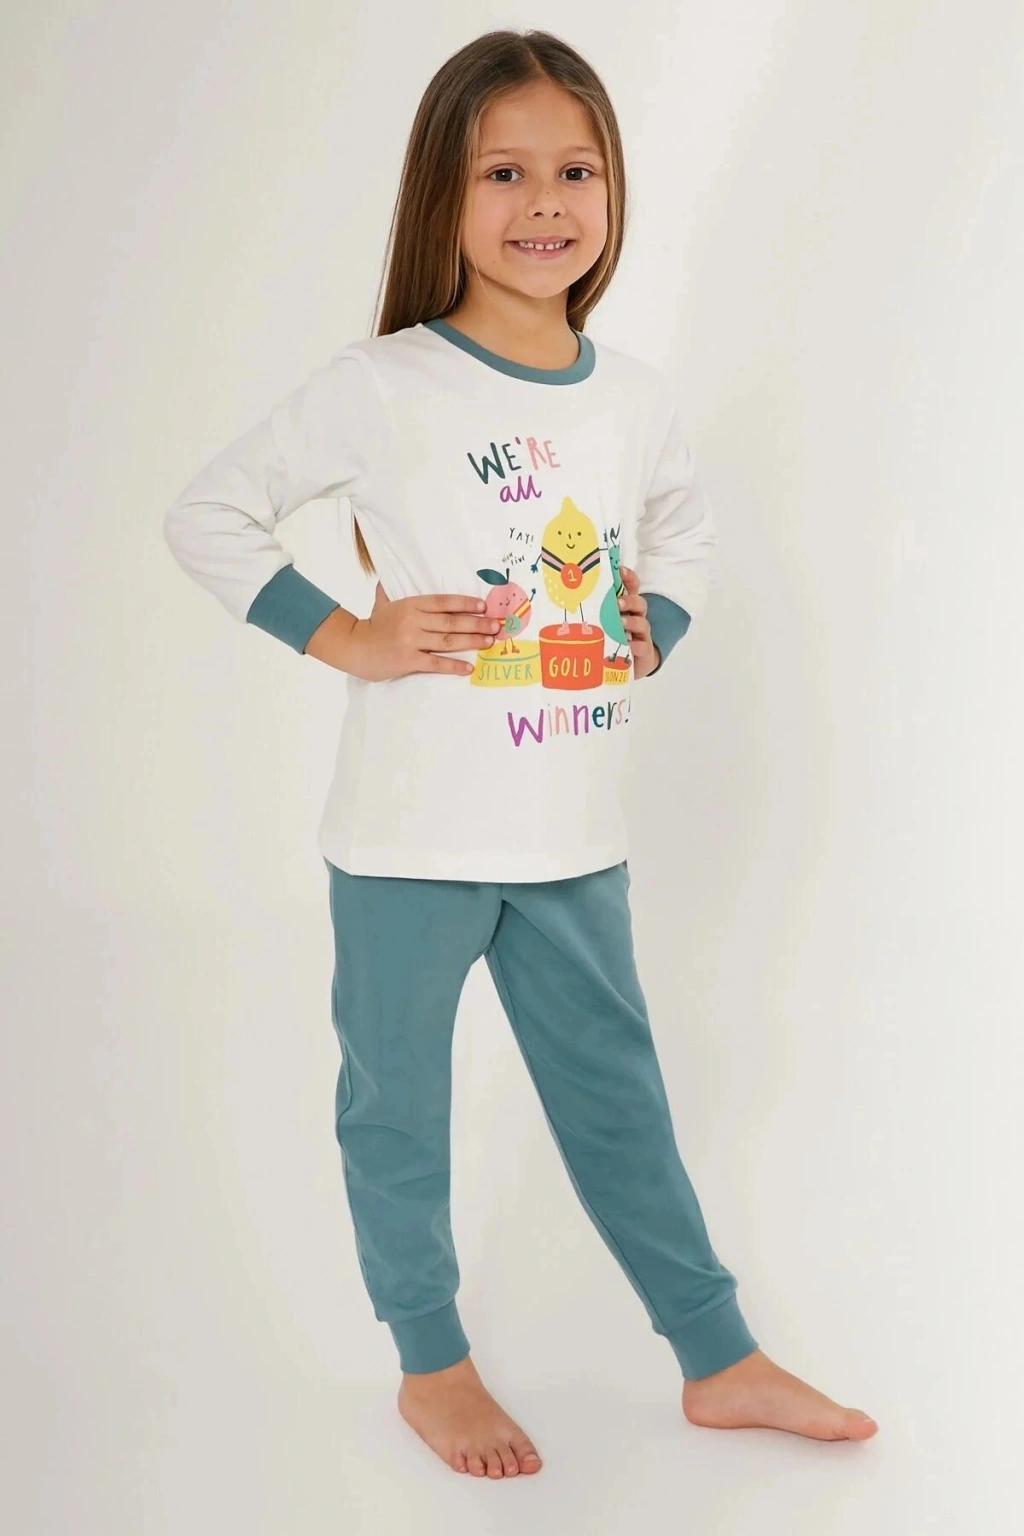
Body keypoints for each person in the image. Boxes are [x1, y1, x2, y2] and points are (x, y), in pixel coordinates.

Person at [163, 27, 877, 1479]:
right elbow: (209, 515)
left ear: (612, 193)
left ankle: (718, 1356)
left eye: (576, 170)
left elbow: (685, 536)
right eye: (503, 172)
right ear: (444, 191)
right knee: (398, 1113)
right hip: (408, 842)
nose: (544, 201)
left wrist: (656, 628)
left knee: (623, 1105)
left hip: (571, 839)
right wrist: (345, 634)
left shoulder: (635, 398)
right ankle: (432, 1367)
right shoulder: (384, 384)